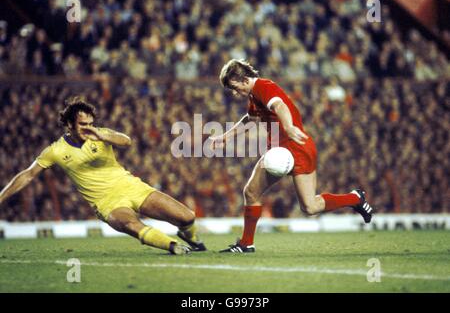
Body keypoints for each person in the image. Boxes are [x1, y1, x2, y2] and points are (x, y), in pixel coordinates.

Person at [0, 97, 206, 255]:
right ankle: (172, 246)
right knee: (133, 225)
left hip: (132, 187)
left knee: (187, 217)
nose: (87, 127)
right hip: (107, 202)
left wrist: (102, 135)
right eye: (82, 124)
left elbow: (126, 141)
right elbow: (28, 175)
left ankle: (192, 239)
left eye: (90, 123)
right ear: (69, 124)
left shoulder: (100, 134)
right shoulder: (55, 150)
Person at [210, 59, 373, 253]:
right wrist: (226, 136)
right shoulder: (254, 95)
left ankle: (354, 199)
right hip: (291, 148)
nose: (235, 93)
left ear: (244, 79)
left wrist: (287, 126)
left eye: (235, 88)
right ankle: (355, 198)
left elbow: (279, 105)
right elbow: (251, 119)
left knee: (300, 205)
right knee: (269, 197)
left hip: (294, 147)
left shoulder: (263, 86)